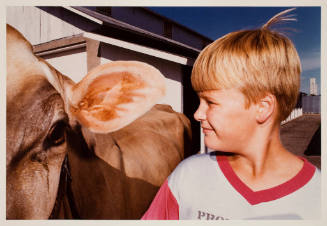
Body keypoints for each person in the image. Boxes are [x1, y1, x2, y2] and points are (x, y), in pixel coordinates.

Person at [141, 8, 321, 220]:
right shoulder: (187, 177)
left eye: (211, 102)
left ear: (262, 107)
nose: (197, 114)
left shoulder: (317, 196)